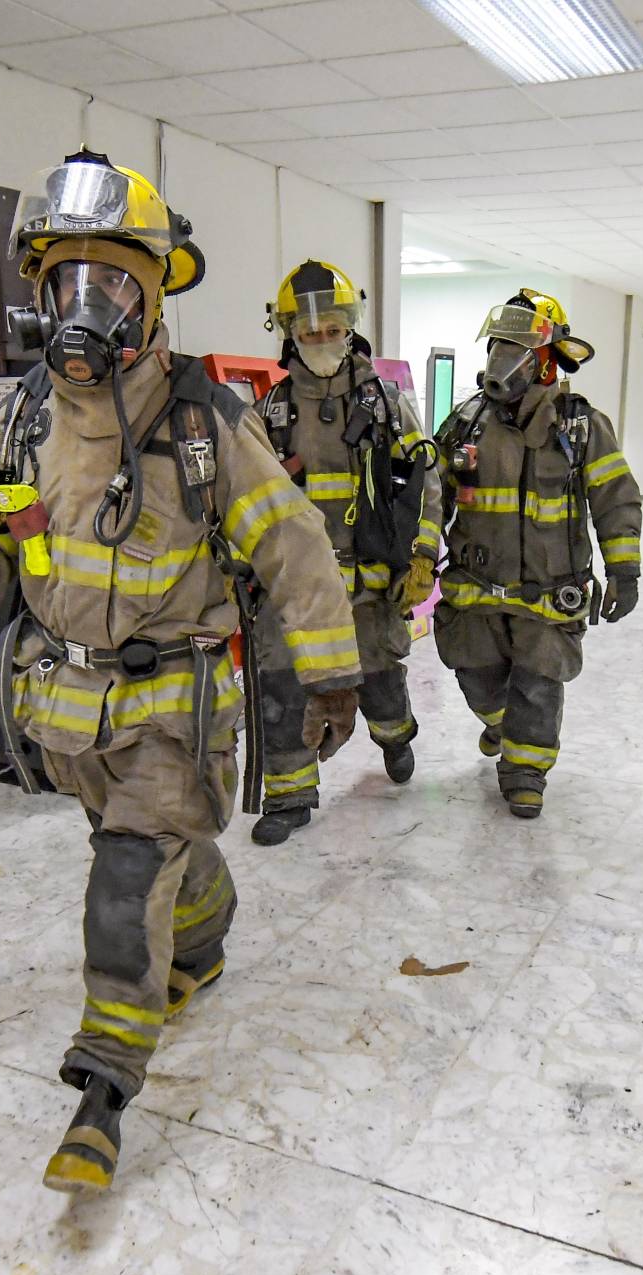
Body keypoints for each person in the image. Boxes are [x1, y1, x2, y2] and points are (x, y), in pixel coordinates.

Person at [0, 150, 363, 1192]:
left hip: (174, 708)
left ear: (151, 296)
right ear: (39, 292)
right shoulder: (19, 423)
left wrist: (330, 678)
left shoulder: (205, 424)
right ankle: (207, 929)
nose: (83, 305)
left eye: (110, 283)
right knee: (149, 857)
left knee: (124, 879)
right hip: (65, 712)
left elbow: (294, 546)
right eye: (65, 282)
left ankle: (101, 1091)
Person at [246, 261, 442, 846]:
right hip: (296, 589)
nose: (322, 340)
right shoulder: (271, 412)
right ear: (289, 334)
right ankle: (289, 795)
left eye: (332, 328)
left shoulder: (385, 403)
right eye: (309, 332)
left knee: (378, 679)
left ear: (350, 327)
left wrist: (424, 554)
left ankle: (395, 737)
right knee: (281, 682)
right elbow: (246, 498)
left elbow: (426, 481)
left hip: (373, 583)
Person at [433, 288, 641, 819]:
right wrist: (414, 554)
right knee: (474, 672)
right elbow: (431, 495)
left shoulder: (580, 424)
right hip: (475, 586)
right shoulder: (465, 422)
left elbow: (615, 497)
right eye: (499, 343)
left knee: (538, 682)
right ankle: (498, 723)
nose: (505, 355)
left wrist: (624, 569)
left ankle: (525, 773)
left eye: (519, 344)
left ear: (548, 357)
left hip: (549, 589)